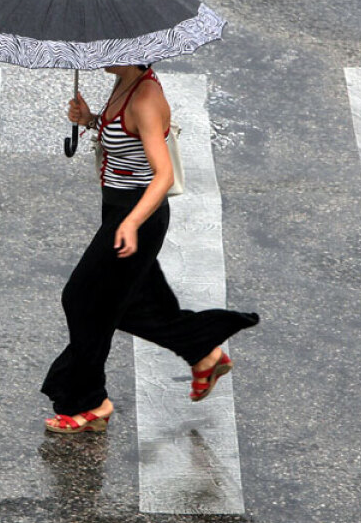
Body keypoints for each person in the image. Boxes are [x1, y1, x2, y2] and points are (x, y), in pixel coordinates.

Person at [41, 64, 260, 434]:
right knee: (129, 304)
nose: (98, 52)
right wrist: (92, 119)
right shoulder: (125, 81)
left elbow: (164, 175)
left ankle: (90, 402)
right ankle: (203, 353)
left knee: (81, 299)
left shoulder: (144, 99)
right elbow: (127, 140)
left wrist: (130, 223)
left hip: (137, 217)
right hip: (120, 210)